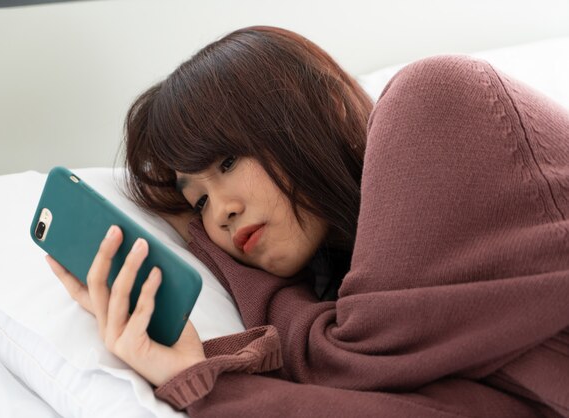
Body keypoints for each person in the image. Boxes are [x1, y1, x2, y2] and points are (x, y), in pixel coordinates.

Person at [46, 26, 569, 417]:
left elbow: (344, 361)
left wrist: (209, 372)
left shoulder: (438, 97)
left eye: (228, 163)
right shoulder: (365, 308)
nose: (221, 213)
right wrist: (194, 379)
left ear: (312, 112)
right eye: (199, 204)